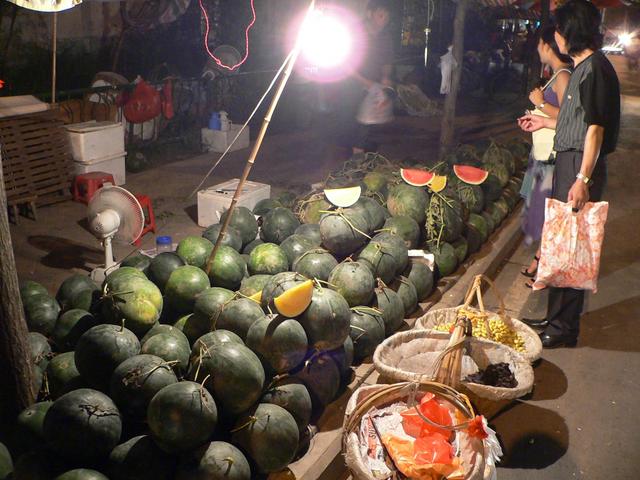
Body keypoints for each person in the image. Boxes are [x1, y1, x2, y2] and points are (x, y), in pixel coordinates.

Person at [518, 0, 620, 348]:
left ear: (571, 32)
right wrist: (545, 121)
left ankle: (564, 329)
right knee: (562, 244)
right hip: (570, 160)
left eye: (559, 30)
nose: (556, 37)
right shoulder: (582, 68)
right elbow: (575, 121)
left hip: (579, 165)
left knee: (573, 247)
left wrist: (583, 179)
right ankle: (556, 317)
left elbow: (595, 129)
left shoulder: (594, 70)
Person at [519, 25, 572, 288]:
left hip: (550, 159)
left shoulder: (563, 76)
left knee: (546, 214)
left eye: (540, 44)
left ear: (548, 46)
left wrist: (540, 104)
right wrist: (534, 119)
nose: (538, 49)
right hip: (541, 154)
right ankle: (541, 259)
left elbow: (566, 118)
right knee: (542, 213)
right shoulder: (555, 75)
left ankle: (545, 268)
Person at [337, 0, 395, 155]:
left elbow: (387, 61)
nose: (384, 20)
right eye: (381, 15)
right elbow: (345, 63)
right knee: (351, 119)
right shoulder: (355, 33)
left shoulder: (385, 37)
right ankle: (353, 152)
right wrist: (365, 82)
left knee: (369, 120)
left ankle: (360, 151)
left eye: (387, 17)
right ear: (370, 14)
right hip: (350, 82)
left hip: (372, 83)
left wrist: (385, 77)